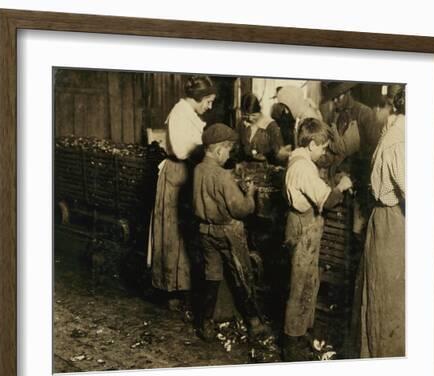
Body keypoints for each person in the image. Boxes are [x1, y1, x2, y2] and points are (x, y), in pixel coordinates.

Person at [192, 123, 272, 342]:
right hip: (227, 232)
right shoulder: (223, 176)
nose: (228, 155)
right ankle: (254, 323)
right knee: (242, 274)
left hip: (205, 231)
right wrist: (250, 194)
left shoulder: (198, 169)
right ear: (218, 150)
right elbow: (241, 209)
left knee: (212, 275)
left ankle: (206, 323)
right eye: (227, 150)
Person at [282, 118, 353, 361]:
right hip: (304, 230)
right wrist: (342, 186)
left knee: (306, 283)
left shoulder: (298, 160)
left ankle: (300, 331)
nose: (324, 153)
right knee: (300, 287)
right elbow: (328, 200)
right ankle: (291, 344)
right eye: (323, 148)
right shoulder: (303, 168)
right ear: (312, 144)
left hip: (301, 227)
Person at [149, 76, 216, 310]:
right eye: (208, 101)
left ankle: (183, 287)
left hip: (187, 173)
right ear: (198, 98)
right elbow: (179, 149)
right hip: (177, 173)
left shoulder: (190, 114)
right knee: (172, 233)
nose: (210, 106)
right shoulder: (179, 113)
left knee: (184, 232)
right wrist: (206, 148)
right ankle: (171, 290)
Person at [354, 88, 406, 358]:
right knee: (391, 301)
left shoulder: (399, 132)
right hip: (394, 220)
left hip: (393, 219)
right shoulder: (400, 141)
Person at [323, 81, 382, 236]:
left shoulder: (365, 113)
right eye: (333, 98)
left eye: (338, 97)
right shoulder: (334, 116)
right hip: (337, 178)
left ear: (348, 92)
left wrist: (356, 172)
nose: (335, 101)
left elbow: (375, 150)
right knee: (336, 230)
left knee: (356, 231)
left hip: (358, 180)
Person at [238, 93, 285, 163]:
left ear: (259, 111)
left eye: (253, 115)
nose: (250, 118)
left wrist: (266, 156)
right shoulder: (242, 124)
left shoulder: (270, 125)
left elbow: (280, 154)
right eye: (246, 115)